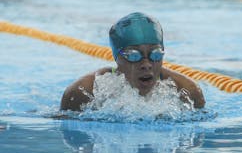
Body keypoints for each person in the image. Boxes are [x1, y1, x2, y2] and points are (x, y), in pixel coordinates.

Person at [60, 12, 205, 111]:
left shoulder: (187, 91)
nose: (147, 64)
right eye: (134, 55)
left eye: (155, 55)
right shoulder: (83, 92)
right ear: (117, 58)